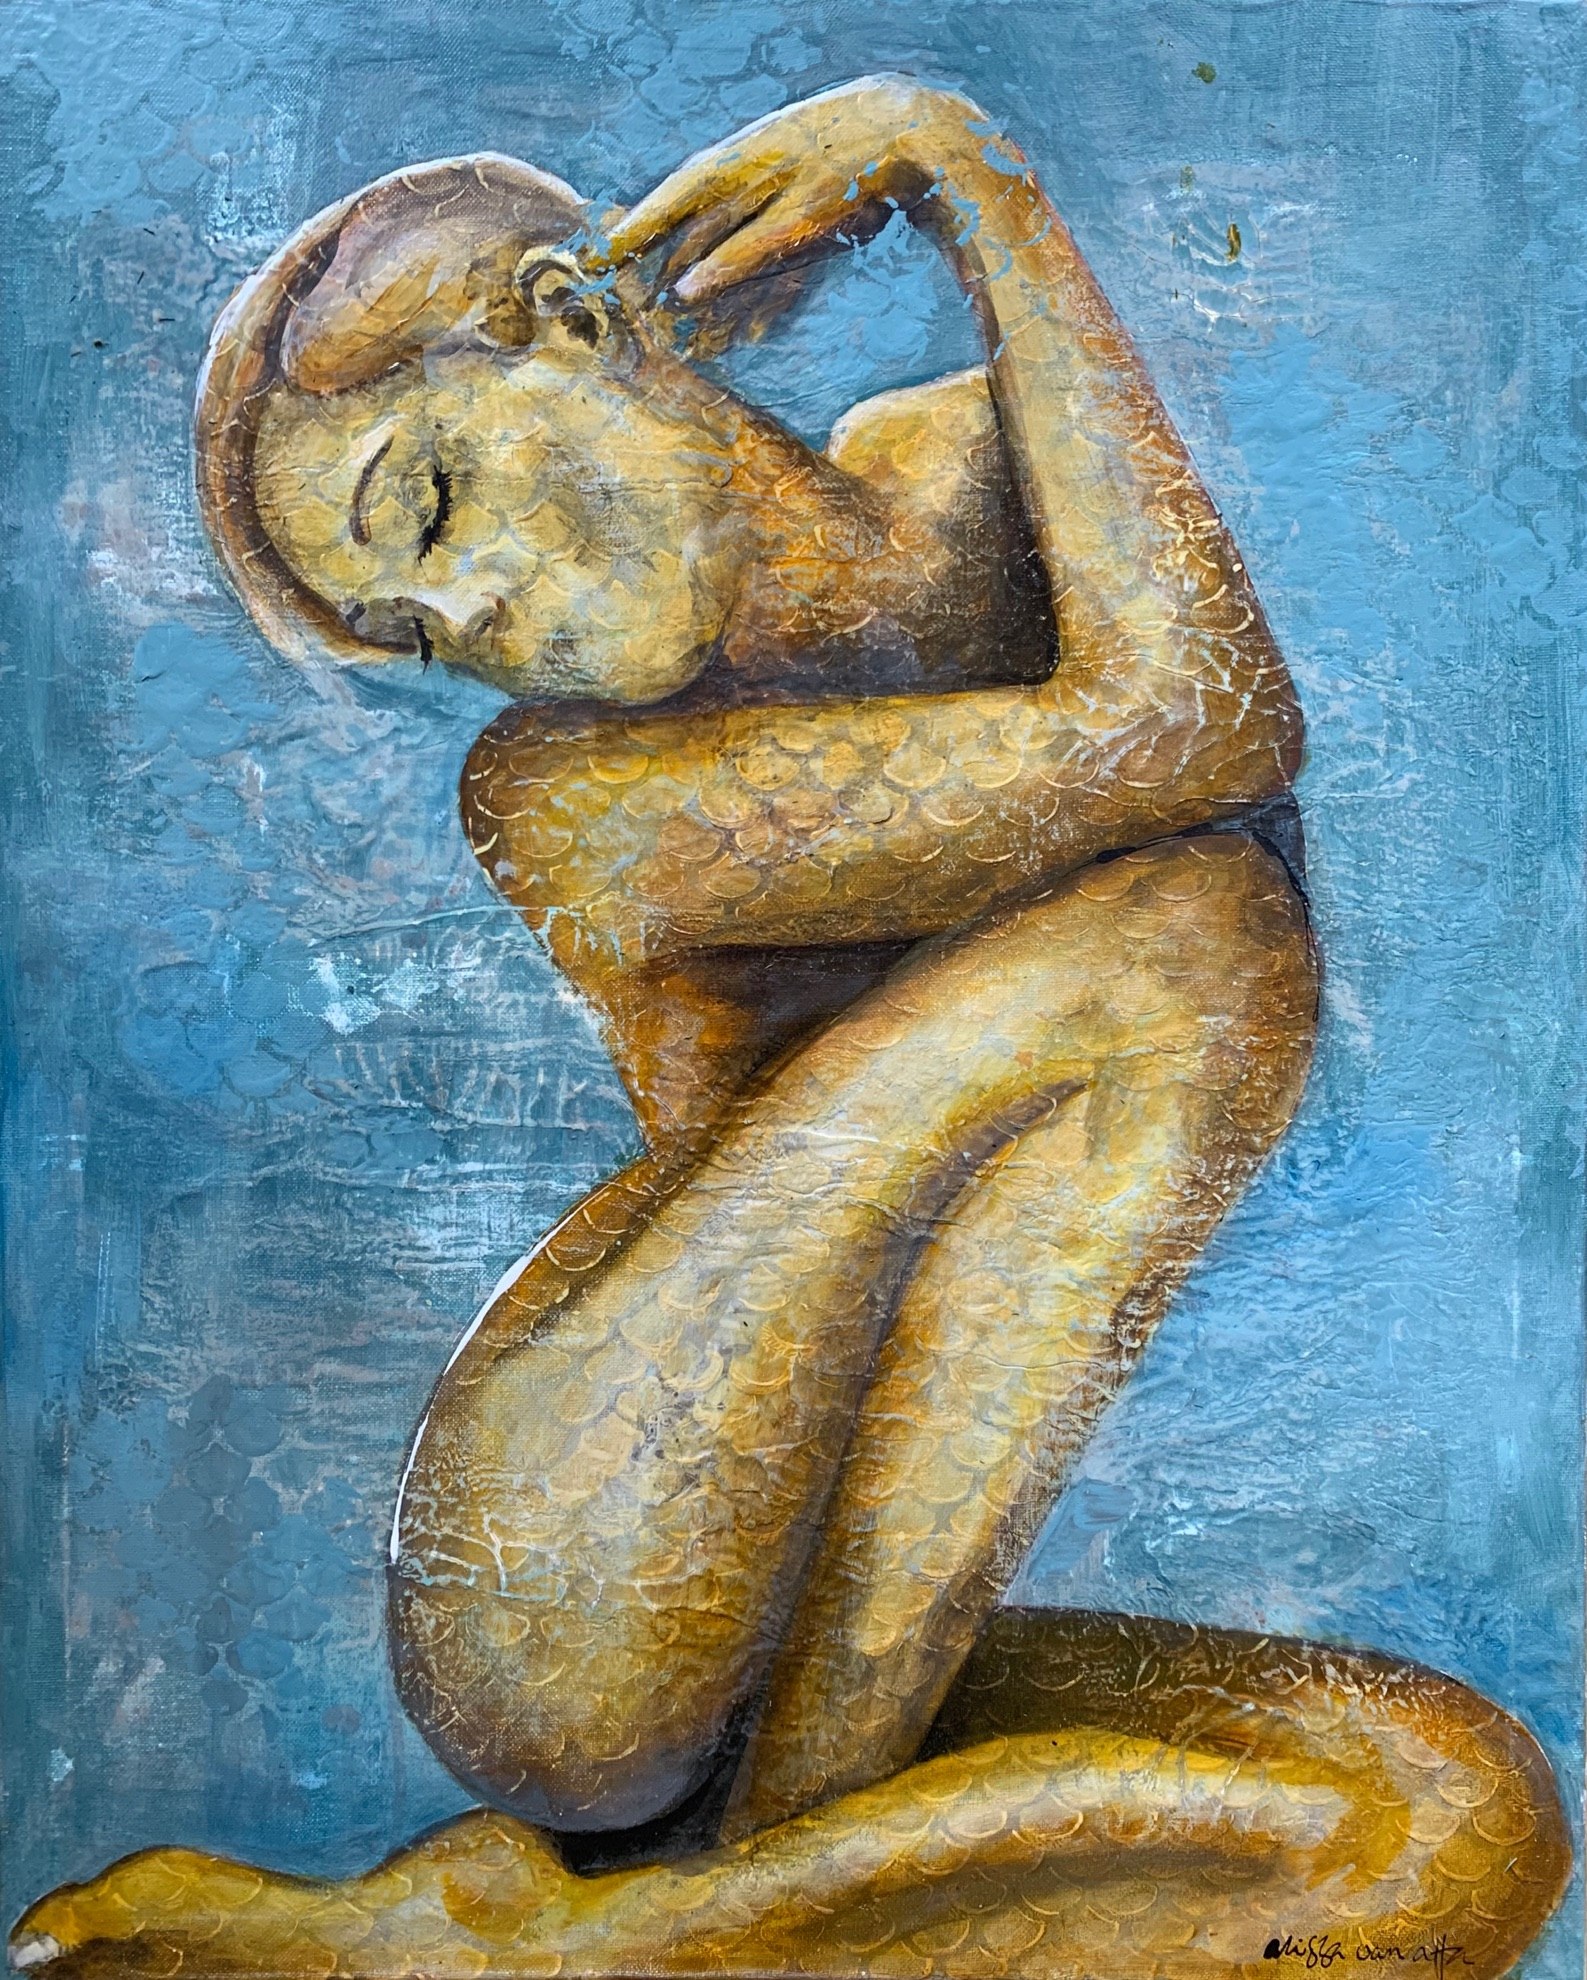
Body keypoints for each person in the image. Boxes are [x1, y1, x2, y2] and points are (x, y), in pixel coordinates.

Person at [10, 78, 1566, 1980]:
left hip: (845, 1591)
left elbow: (1207, 707)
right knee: (1194, 941)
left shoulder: (990, 465)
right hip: (590, 1573)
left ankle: (558, 1945)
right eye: (407, 628)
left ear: (571, 322)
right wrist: (970, 170)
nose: (466, 615)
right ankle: (752, 1858)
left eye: (427, 501)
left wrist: (971, 181)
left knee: (1455, 1825)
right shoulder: (561, 802)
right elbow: (1189, 736)